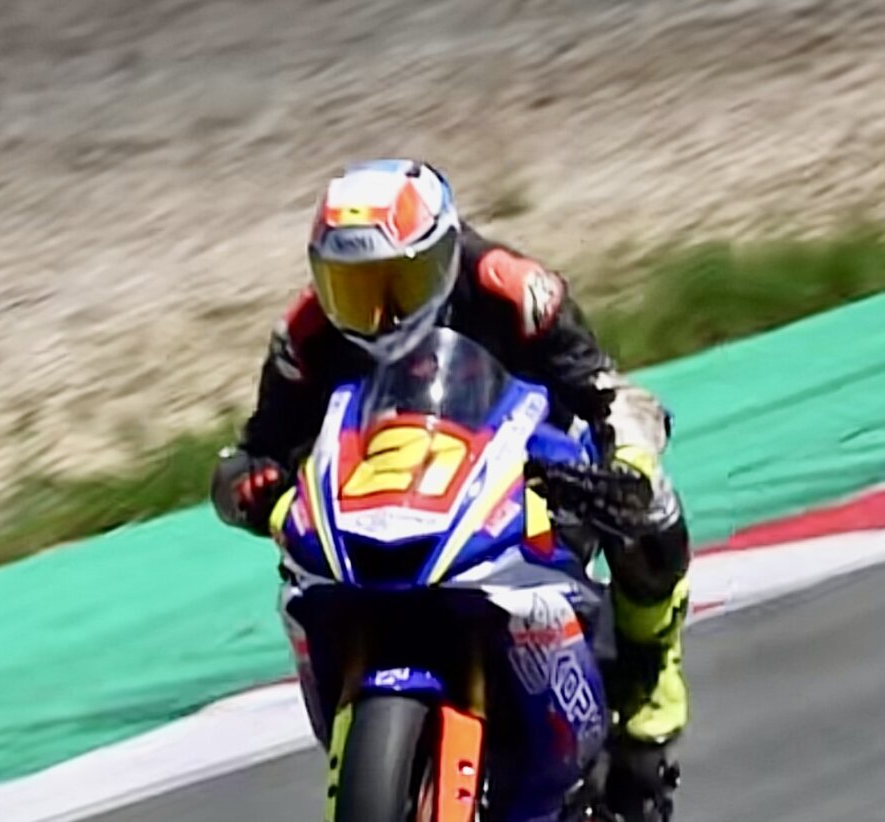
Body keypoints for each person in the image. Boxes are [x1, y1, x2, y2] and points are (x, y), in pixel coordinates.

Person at [211, 159, 690, 816]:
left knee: (651, 511)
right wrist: (249, 481)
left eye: (398, 283)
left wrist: (627, 463)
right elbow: (259, 444)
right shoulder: (309, 331)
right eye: (354, 288)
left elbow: (606, 392)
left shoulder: (516, 292)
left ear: (442, 255)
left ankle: (648, 704)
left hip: (527, 473)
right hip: (382, 500)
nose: (379, 313)